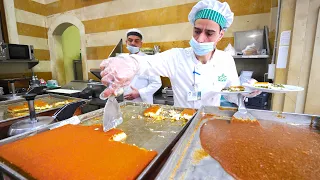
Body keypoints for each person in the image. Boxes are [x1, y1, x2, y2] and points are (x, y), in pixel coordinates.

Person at [100, 0, 259, 108]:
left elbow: (232, 94)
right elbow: (147, 63)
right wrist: (130, 63)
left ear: (221, 35)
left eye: (209, 33)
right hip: (182, 123)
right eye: (197, 31)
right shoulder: (176, 57)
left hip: (210, 123)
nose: (200, 39)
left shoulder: (226, 60)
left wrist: (247, 91)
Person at [122, 29, 162, 104]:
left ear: (141, 43)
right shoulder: (122, 60)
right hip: (125, 104)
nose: (133, 43)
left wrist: (139, 93)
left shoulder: (149, 60)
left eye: (136, 41)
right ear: (126, 42)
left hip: (143, 103)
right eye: (130, 40)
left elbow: (156, 83)